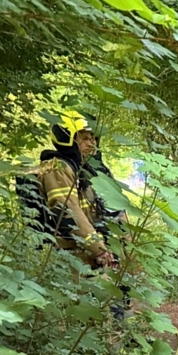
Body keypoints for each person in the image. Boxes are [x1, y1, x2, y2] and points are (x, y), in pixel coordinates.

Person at [38, 113, 116, 269]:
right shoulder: (57, 168)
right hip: (73, 254)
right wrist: (98, 249)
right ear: (68, 140)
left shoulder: (91, 170)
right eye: (85, 139)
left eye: (93, 138)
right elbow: (68, 210)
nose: (92, 143)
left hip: (97, 249)